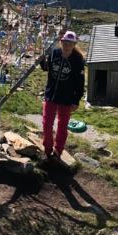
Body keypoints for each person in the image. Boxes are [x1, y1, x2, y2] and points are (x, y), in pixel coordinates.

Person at [39, 30, 85, 159]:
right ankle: (47, 149)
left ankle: (58, 150)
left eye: (70, 43)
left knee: (62, 126)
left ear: (74, 44)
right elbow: (46, 67)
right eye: (65, 42)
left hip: (67, 98)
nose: (67, 45)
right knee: (46, 123)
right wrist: (41, 60)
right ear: (61, 42)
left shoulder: (78, 59)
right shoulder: (54, 53)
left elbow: (80, 82)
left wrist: (76, 100)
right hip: (51, 95)